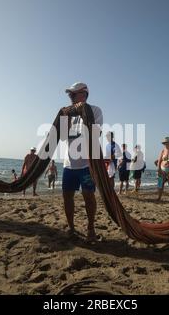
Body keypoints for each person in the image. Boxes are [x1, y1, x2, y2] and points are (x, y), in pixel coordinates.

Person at [60, 82, 103, 243]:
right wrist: (66, 119)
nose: (70, 97)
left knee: (88, 195)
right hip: (68, 164)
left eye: (73, 94)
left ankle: (91, 228)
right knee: (67, 196)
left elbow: (94, 134)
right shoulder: (66, 114)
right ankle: (71, 228)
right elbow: (64, 137)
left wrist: (81, 113)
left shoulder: (95, 110)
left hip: (86, 164)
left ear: (83, 94)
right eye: (69, 94)